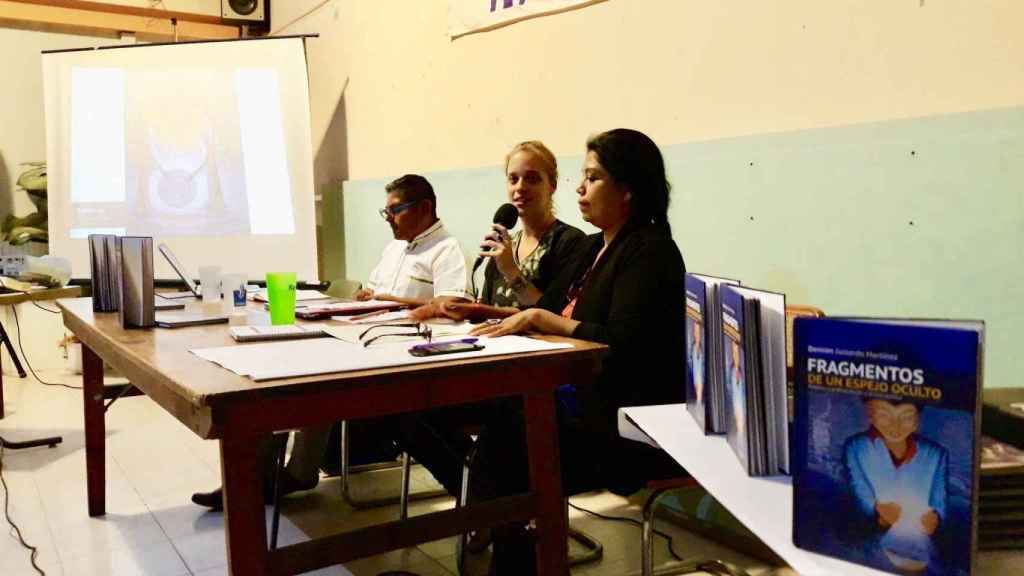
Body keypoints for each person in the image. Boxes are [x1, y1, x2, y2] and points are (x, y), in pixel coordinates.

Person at [415, 128, 687, 575]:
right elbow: (540, 307)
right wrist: (477, 310)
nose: (581, 187)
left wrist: (543, 320)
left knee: (509, 432)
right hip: (569, 394)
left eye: (594, 178)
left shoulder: (651, 251)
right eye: (583, 176)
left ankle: (493, 527)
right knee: (434, 404)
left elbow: (620, 344)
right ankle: (487, 513)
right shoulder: (596, 247)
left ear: (627, 190)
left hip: (619, 418)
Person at [191, 174, 470, 510]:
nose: (389, 221)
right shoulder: (395, 248)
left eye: (395, 211)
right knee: (279, 370)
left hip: (401, 351)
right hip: (366, 336)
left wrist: (393, 301)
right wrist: (366, 296)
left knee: (314, 375)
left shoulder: (447, 250)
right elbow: (374, 292)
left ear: (425, 208)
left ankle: (288, 473)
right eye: (386, 213)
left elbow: (453, 308)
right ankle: (257, 475)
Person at [397, 141, 585, 497]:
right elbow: (485, 305)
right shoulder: (505, 241)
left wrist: (511, 271)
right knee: (409, 411)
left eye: (532, 179)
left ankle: (488, 504)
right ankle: (484, 497)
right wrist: (454, 309)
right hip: (487, 356)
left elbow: (551, 312)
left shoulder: (570, 242)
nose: (520, 188)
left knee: (495, 424)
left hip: (534, 370)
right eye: (513, 178)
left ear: (552, 185)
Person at [843, 399, 948, 572]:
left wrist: (937, 517)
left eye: (906, 417)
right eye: (884, 415)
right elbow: (858, 487)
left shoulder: (935, 453)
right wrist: (876, 508)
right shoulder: (856, 447)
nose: (896, 426)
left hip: (917, 536)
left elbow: (939, 497)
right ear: (870, 415)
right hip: (875, 540)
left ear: (917, 421)